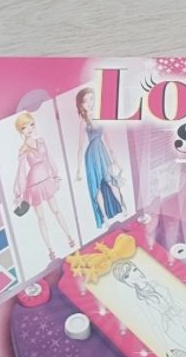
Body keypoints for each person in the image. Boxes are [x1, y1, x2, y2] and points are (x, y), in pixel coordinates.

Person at [13, 112, 75, 262]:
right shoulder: (23, 149)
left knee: (56, 210)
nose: (29, 129)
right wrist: (19, 192)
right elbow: (21, 171)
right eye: (24, 127)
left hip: (46, 179)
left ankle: (69, 237)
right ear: (20, 130)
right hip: (33, 184)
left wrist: (55, 174)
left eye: (31, 125)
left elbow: (49, 158)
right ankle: (50, 249)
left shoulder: (41, 141)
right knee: (41, 217)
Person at [76, 86, 126, 229]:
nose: (89, 103)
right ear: (81, 105)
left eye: (91, 99)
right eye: (85, 101)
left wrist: (115, 159)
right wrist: (78, 169)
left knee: (111, 182)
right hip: (91, 156)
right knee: (97, 188)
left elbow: (108, 140)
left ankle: (122, 206)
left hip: (102, 153)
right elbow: (80, 147)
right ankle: (104, 216)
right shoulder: (83, 123)